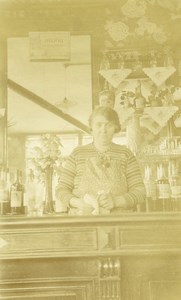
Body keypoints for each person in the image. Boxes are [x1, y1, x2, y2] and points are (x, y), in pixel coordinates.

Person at [56, 106, 145, 215]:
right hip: (81, 221)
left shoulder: (126, 154)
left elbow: (140, 192)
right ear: (91, 127)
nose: (103, 129)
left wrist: (115, 202)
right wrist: (79, 203)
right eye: (99, 125)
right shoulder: (77, 154)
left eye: (109, 125)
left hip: (118, 223)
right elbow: (61, 189)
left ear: (115, 127)